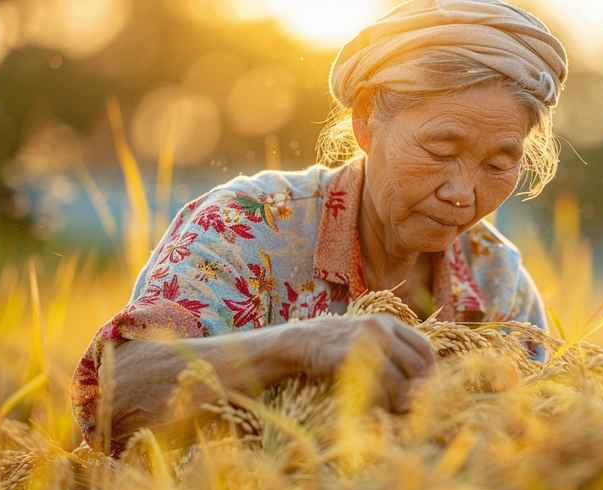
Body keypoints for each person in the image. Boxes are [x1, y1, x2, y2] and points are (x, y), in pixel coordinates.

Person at [71, 0, 568, 454]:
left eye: (499, 164)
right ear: (366, 121)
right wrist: (300, 345)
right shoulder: (249, 224)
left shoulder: (498, 284)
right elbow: (115, 399)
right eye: (440, 150)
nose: (462, 191)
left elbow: (536, 451)